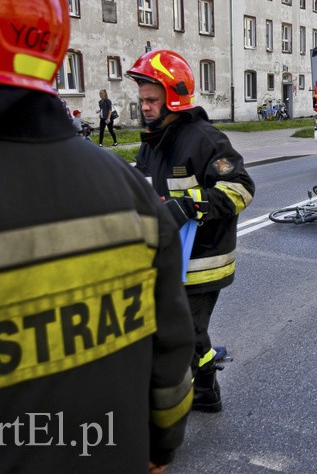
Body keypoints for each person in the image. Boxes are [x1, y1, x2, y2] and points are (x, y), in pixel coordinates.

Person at [0, 0, 195, 472]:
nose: (146, 107)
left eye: (152, 98)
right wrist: (159, 446)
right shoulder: (130, 193)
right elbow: (169, 362)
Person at [126, 49, 255, 413]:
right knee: (185, 334)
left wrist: (188, 205)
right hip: (169, 258)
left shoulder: (204, 139)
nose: (145, 107)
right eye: (142, 100)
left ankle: (194, 396)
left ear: (173, 97)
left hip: (203, 261)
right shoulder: (153, 144)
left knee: (185, 334)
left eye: (152, 100)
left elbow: (241, 188)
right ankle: (202, 388)